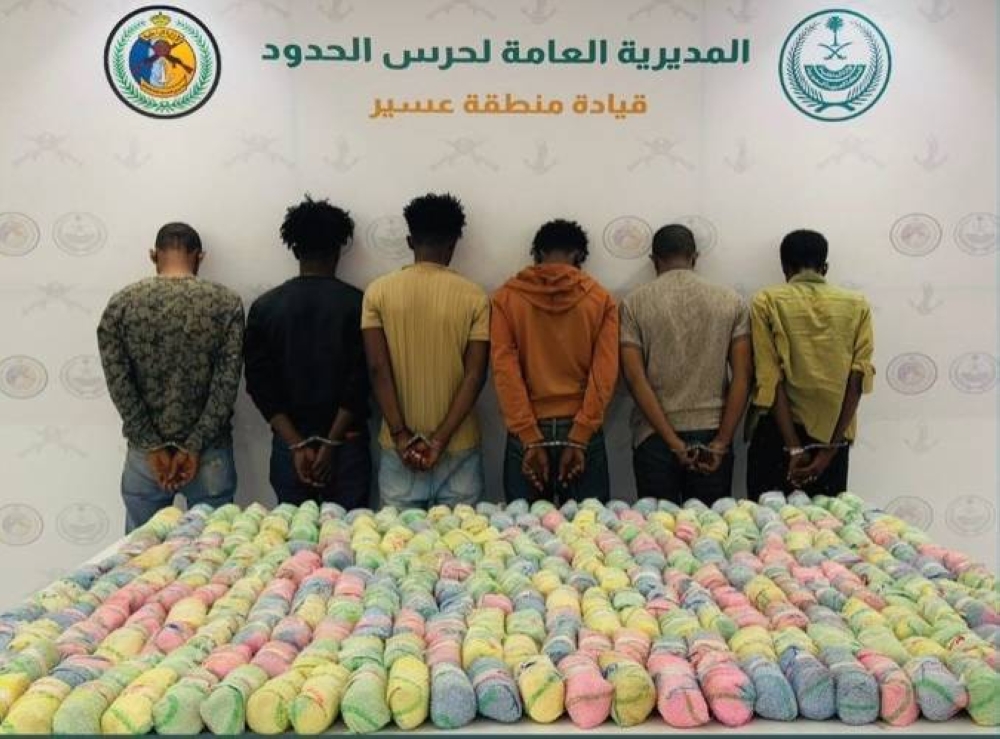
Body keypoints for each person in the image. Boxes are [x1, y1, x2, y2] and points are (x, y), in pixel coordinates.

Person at [97, 223, 244, 532]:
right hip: (209, 452)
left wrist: (153, 446)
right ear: (199, 257)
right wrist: (193, 446)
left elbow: (119, 384)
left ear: (154, 255)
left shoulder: (122, 304)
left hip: (145, 456)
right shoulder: (225, 303)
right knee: (213, 550)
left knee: (139, 552)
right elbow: (226, 385)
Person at [361, 193, 489, 509]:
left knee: (398, 538)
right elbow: (475, 376)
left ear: (409, 241)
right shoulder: (475, 297)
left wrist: (401, 435)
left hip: (399, 448)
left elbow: (377, 368)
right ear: (453, 245)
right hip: (458, 446)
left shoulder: (377, 293)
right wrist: (440, 439)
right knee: (462, 539)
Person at [244, 196, 371, 508]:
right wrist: (331, 443)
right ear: (338, 249)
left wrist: (297, 445)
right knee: (353, 534)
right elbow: (363, 379)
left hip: (289, 448)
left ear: (294, 249)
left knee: (292, 536)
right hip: (347, 445)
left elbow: (259, 383)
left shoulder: (265, 307)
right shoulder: (359, 304)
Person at [620, 224, 752, 505]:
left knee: (657, 529)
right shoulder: (731, 302)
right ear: (695, 257)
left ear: (654, 260)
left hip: (653, 437)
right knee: (711, 527)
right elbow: (743, 377)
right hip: (712, 434)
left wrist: (673, 443)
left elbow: (634, 379)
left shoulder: (633, 304)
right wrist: (722, 442)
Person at [491, 219, 619, 504]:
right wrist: (580, 435)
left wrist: (528, 435)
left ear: (538, 253)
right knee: (590, 528)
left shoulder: (506, 299)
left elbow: (505, 371)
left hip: (527, 431)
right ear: (579, 255)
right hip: (581, 430)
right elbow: (605, 374)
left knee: (524, 527)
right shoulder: (601, 300)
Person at [746, 229, 875, 498]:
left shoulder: (766, 301)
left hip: (777, 435)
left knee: (768, 522)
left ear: (785, 268)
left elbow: (769, 378)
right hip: (833, 435)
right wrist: (830, 450)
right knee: (827, 520)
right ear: (824, 268)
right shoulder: (857, 305)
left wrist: (794, 448)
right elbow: (858, 380)